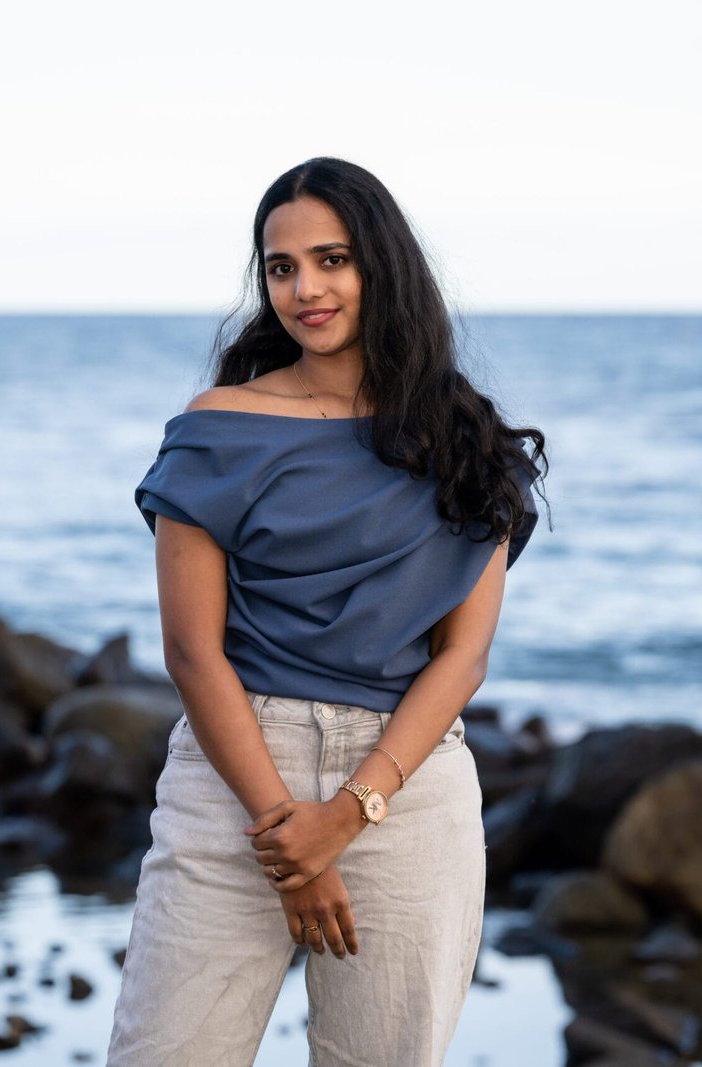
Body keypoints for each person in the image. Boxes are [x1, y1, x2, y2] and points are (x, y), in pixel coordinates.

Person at [106, 156, 547, 1067]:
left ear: (380, 265)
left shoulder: (470, 442)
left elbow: (461, 660)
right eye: (280, 267)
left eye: (331, 259)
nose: (304, 288)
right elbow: (192, 652)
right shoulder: (219, 426)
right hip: (234, 784)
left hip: (407, 793)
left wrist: (347, 813)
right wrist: (287, 833)